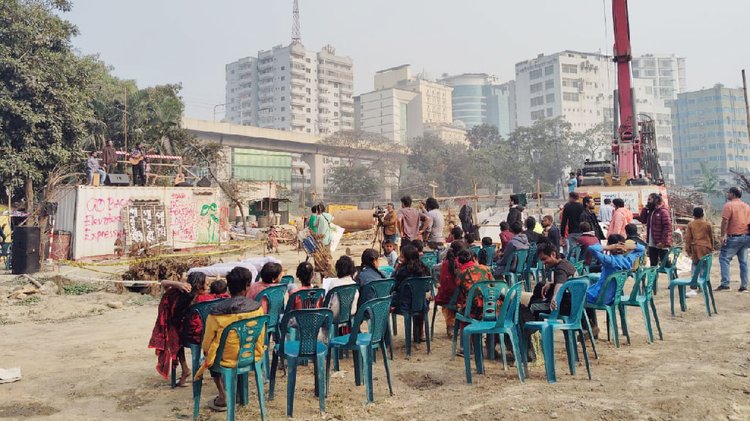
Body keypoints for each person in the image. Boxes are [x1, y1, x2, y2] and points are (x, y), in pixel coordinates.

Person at [195, 267, 264, 412]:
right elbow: (260, 337)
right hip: (250, 356)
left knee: (211, 355)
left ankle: (222, 395)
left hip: (224, 360)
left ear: (228, 287)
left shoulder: (216, 312)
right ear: (247, 285)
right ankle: (240, 394)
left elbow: (207, 343)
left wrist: (207, 353)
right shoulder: (257, 309)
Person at [148, 273, 207, 387]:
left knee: (175, 333)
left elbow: (164, 283)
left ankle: (185, 368)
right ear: (199, 286)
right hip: (200, 335)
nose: (208, 286)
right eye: (206, 284)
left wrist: (177, 284)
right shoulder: (206, 299)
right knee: (177, 333)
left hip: (185, 335)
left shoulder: (178, 295)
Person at [585, 235, 645, 323]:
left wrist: (608, 247)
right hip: (612, 297)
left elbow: (591, 248)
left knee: (577, 296)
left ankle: (589, 326)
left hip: (600, 297)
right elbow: (642, 248)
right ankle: (591, 325)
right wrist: (631, 246)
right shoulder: (628, 260)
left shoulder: (609, 260)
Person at [393, 245, 430, 340]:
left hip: (405, 305)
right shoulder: (424, 269)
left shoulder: (402, 271)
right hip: (422, 305)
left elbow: (395, 287)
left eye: (401, 256)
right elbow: (427, 288)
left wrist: (395, 270)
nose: (400, 258)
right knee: (418, 299)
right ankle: (419, 334)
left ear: (406, 258)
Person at [717, 187, 750, 292]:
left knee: (724, 258)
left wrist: (722, 236)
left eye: (729, 192)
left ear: (733, 194)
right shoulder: (747, 206)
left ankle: (725, 284)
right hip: (746, 237)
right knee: (743, 262)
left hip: (734, 237)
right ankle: (744, 286)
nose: (728, 194)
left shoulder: (729, 205)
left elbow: (725, 221)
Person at [435, 241, 466, 338]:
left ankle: (450, 325)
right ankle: (460, 324)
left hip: (445, 295)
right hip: (457, 298)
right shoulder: (461, 264)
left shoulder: (444, 263)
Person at [684, 207, 716, 297]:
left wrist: (688, 250)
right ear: (702, 214)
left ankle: (694, 287)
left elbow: (688, 238)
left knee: (695, 267)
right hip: (706, 248)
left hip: (695, 248)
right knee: (705, 268)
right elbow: (711, 237)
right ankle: (703, 286)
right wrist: (712, 247)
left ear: (693, 215)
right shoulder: (707, 224)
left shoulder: (691, 224)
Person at [635, 193, 673, 267]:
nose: (648, 201)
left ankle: (673, 277)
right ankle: (653, 278)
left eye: (649, 200)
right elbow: (643, 220)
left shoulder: (663, 211)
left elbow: (667, 227)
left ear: (655, 200)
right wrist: (645, 209)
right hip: (652, 242)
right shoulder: (651, 212)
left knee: (665, 263)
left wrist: (663, 241)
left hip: (661, 243)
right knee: (653, 263)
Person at [325, 255, 359, 320]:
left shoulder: (333, 284)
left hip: (333, 316)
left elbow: (327, 303)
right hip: (349, 316)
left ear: (337, 269)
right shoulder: (355, 286)